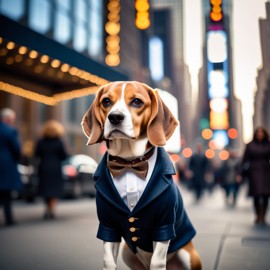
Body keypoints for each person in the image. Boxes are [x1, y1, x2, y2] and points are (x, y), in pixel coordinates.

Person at [34, 120, 68, 220]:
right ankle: (51, 209)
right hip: (55, 168)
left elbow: (36, 154)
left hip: (44, 167)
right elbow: (64, 156)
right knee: (54, 189)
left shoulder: (40, 141)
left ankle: (47, 208)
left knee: (46, 189)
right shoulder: (59, 142)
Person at [238, 127, 270, 225]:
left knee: (265, 194)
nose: (260, 135)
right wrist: (240, 173)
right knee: (256, 194)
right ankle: (257, 214)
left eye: (261, 133)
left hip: (266, 172)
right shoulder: (250, 145)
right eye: (258, 133)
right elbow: (244, 159)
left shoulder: (268, 145)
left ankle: (263, 215)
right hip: (254, 172)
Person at [0, 108, 22, 226]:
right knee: (6, 194)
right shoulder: (11, 131)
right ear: (8, 119)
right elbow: (16, 149)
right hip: (6, 166)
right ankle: (9, 219)